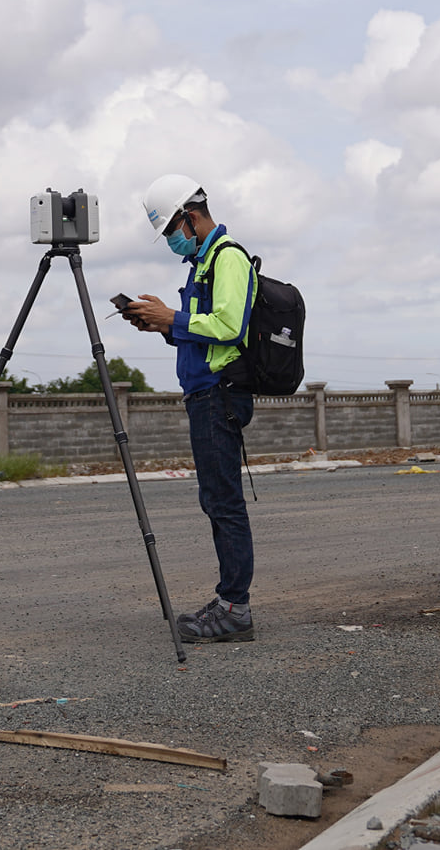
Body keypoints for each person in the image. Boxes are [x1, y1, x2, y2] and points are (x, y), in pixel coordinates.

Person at [121, 174, 258, 644]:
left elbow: (229, 326)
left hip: (220, 397)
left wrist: (173, 318)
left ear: (190, 217)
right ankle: (229, 602)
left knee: (225, 504)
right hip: (203, 396)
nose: (170, 241)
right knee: (216, 501)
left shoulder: (229, 258)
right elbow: (201, 333)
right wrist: (163, 324)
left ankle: (234, 608)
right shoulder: (201, 264)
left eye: (170, 231)